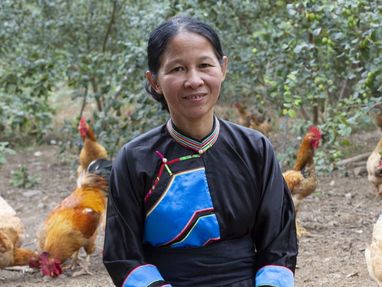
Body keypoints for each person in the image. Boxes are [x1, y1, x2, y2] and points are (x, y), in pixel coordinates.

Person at [103, 15, 297, 287]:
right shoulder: (135, 160)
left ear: (223, 68)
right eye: (177, 69)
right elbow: (123, 256)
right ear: (155, 80)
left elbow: (279, 244)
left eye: (204, 65)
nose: (194, 80)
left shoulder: (255, 149)